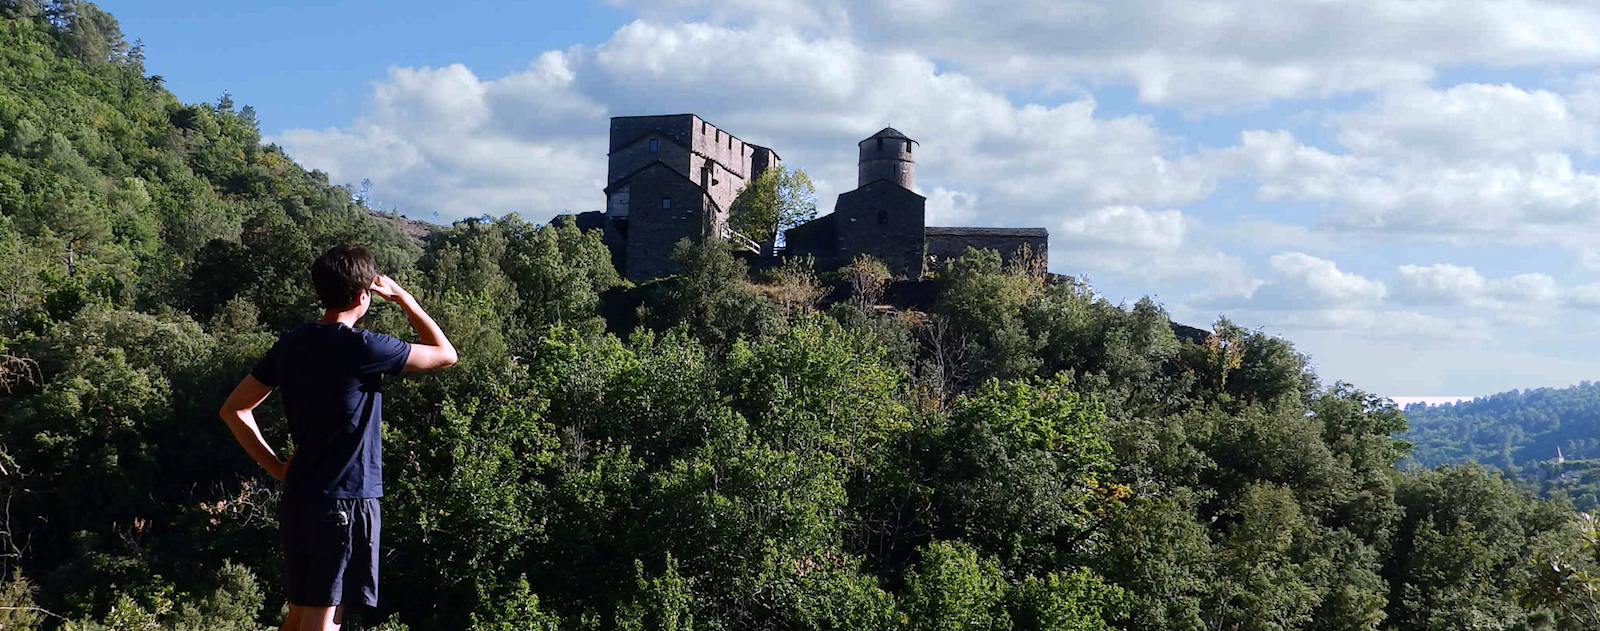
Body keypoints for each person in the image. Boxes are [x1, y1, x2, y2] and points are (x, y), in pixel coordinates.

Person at [218, 244, 457, 631]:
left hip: (301, 495)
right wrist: (405, 300)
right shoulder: (363, 348)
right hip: (345, 498)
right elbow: (445, 354)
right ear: (364, 296)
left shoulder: (292, 343)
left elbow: (234, 409)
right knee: (323, 618)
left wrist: (278, 468)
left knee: (300, 613)